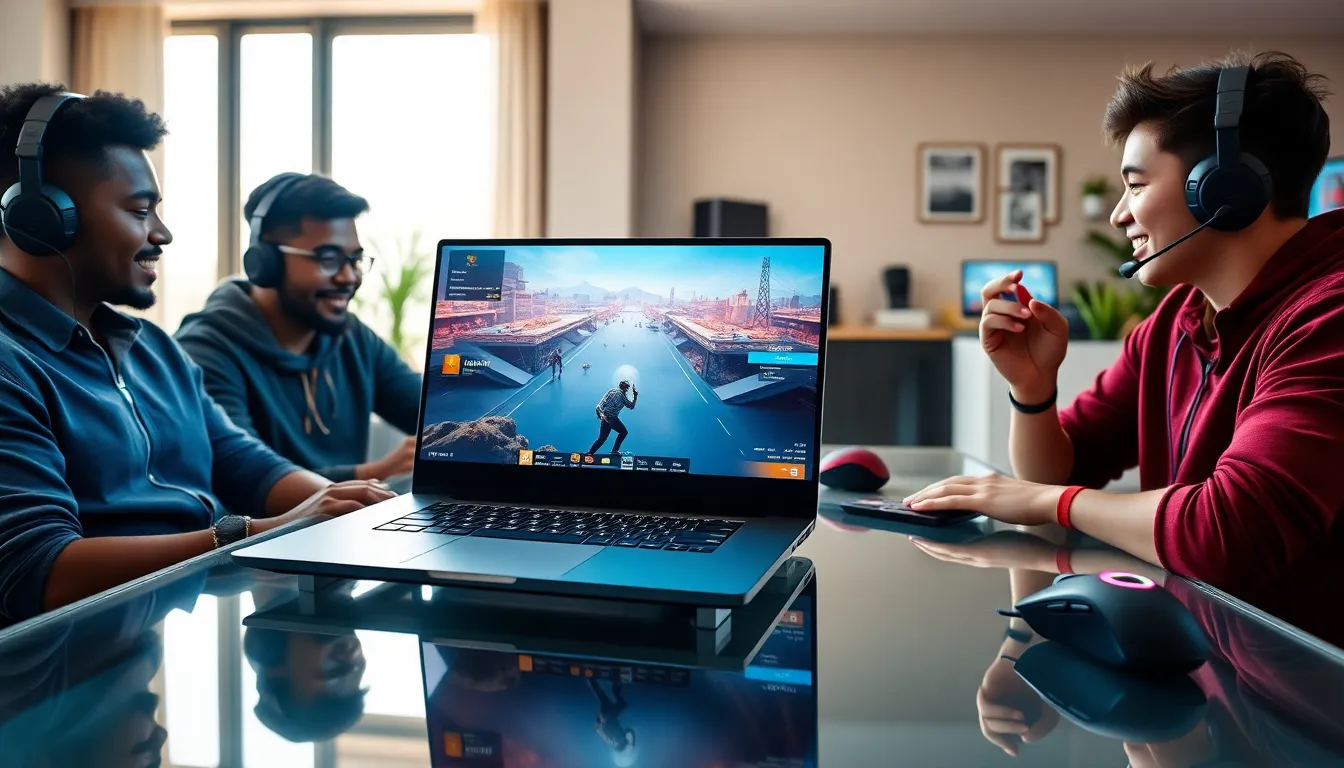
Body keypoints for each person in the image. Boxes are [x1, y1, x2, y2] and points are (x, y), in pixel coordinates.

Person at [903, 52, 1343, 633]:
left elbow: (1229, 535)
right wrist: (1031, 389)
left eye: (1135, 185)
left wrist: (1040, 503)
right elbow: (1061, 470)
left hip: (1305, 693)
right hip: (1206, 656)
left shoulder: (1328, 320)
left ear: (1225, 190)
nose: (1117, 216)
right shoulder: (1175, 321)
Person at [0, 84, 394, 626]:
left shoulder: (154, 351)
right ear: (44, 217)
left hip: (177, 626)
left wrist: (353, 505)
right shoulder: (11, 367)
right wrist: (254, 532)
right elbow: (36, 571)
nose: (161, 233)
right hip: (68, 671)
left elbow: (243, 462)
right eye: (141, 211)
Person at [175, 172, 422, 482]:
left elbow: (430, 410)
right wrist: (375, 473)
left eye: (355, 260)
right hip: (267, 531)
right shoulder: (206, 351)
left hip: (343, 523)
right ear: (265, 262)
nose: (349, 277)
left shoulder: (351, 337)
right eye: (328, 258)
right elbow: (240, 477)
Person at [589, 380, 637, 454]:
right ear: (624, 388)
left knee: (623, 432)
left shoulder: (621, 396)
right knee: (602, 438)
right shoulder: (616, 393)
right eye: (626, 388)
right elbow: (599, 406)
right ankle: (590, 453)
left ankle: (614, 450)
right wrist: (602, 415)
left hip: (613, 418)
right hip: (608, 417)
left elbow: (631, 406)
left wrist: (635, 395)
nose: (626, 390)